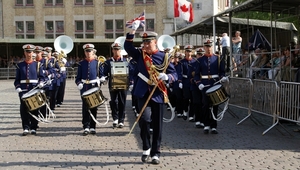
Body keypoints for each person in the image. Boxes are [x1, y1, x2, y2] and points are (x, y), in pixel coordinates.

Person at [124, 23, 177, 164]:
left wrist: (168, 77)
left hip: (158, 93)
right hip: (143, 92)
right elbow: (128, 47)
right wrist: (132, 31)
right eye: (144, 42)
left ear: (155, 42)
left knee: (157, 125)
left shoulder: (164, 57)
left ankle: (156, 152)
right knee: (144, 120)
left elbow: (174, 74)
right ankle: (146, 147)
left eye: (148, 42)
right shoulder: (140, 55)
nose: (145, 45)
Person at [194, 40, 227, 134]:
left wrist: (223, 77)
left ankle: (213, 126)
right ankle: (206, 124)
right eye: (207, 47)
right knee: (205, 105)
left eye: (210, 46)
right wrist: (198, 83)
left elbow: (222, 71)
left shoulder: (218, 59)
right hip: (204, 85)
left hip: (215, 83)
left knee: (215, 105)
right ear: (204, 48)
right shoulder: (199, 60)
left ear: (212, 47)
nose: (208, 48)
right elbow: (196, 75)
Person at [14, 44, 45, 135]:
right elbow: (17, 80)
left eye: (30, 52)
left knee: (34, 108)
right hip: (23, 90)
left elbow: (42, 77)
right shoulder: (20, 65)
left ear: (33, 53)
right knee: (24, 109)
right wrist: (18, 87)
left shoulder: (38, 65)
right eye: (27, 52)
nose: (29, 54)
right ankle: (26, 127)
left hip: (34, 88)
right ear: (24, 53)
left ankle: (34, 127)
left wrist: (41, 82)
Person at [75, 44, 102, 135]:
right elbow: (77, 78)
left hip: (93, 86)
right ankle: (86, 126)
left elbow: (101, 76)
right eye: (87, 51)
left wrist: (100, 80)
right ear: (85, 52)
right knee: (85, 107)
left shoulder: (97, 63)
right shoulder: (81, 63)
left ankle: (92, 126)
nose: (88, 53)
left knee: (94, 106)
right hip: (85, 88)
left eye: (90, 51)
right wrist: (79, 84)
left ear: (93, 51)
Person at [100, 42, 128, 128]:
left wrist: (131, 83)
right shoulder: (108, 61)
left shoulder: (125, 61)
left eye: (118, 49)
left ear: (120, 50)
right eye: (115, 49)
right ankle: (115, 118)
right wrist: (103, 78)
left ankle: (121, 120)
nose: (117, 51)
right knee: (114, 102)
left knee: (122, 102)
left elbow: (130, 72)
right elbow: (104, 73)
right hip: (113, 84)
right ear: (112, 50)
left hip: (123, 84)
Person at [178, 45, 197, 121]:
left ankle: (191, 115)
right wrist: (180, 81)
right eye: (187, 51)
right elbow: (180, 72)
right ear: (185, 52)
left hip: (192, 81)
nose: (189, 53)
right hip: (185, 81)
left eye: (190, 51)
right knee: (186, 97)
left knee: (193, 99)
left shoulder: (195, 61)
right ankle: (185, 111)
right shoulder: (182, 62)